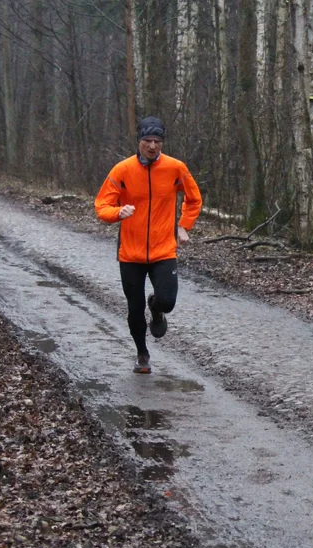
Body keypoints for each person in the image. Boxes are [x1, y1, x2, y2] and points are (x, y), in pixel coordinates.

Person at [95, 116, 202, 374]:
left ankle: (156, 308)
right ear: (139, 142)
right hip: (130, 253)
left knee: (167, 300)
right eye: (147, 141)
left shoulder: (175, 168)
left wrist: (183, 226)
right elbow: (102, 206)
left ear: (162, 143)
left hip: (163, 249)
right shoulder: (122, 170)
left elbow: (194, 199)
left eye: (157, 142)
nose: (152, 146)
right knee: (134, 308)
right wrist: (117, 213)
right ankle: (142, 354)